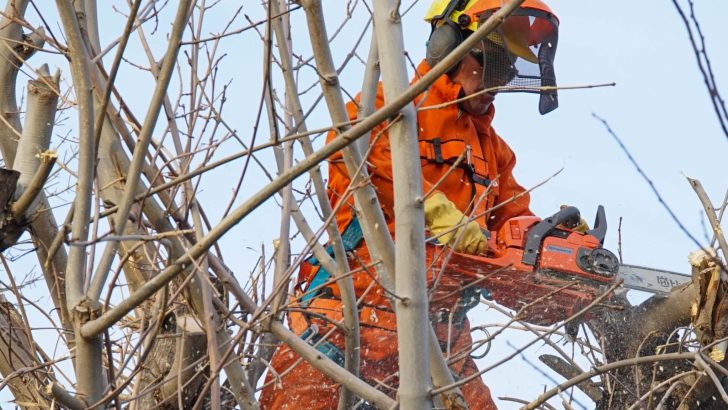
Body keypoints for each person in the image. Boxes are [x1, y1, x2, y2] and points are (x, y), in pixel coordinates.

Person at [259, 0, 560, 408]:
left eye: (507, 71)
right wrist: (430, 210)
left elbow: (515, 225)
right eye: (490, 64)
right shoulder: (393, 108)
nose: (498, 80)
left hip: (438, 338)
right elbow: (350, 153)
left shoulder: (494, 153)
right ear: (448, 44)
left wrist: (553, 256)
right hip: (344, 322)